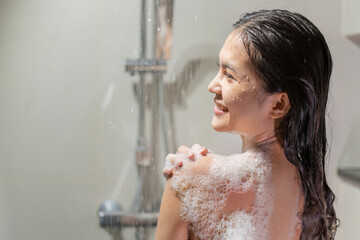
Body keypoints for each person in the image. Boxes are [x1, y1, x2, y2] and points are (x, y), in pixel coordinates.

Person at [155, 9, 339, 240]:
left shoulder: (191, 180)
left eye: (229, 75)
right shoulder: (310, 191)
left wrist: (188, 176)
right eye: (218, 70)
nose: (212, 85)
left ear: (278, 105)